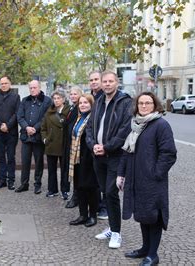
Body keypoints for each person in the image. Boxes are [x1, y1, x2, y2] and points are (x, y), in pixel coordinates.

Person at [118, 92, 177, 265]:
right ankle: (145, 248)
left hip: (153, 181)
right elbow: (126, 152)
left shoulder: (161, 125)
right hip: (137, 179)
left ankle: (153, 254)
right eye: (141, 103)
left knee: (154, 215)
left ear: (155, 105)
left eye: (148, 103)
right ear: (136, 106)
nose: (144, 106)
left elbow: (169, 153)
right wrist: (122, 174)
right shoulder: (136, 125)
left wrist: (156, 173)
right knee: (143, 214)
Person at [85, 70, 132, 249]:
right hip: (98, 155)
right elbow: (90, 127)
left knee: (112, 193)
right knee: (105, 192)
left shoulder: (124, 102)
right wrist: (93, 145)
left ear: (117, 82)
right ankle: (112, 227)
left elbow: (124, 131)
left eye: (110, 81)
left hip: (115, 156)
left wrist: (106, 147)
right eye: (104, 81)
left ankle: (117, 233)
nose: (107, 84)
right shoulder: (98, 101)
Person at [68, 94, 99, 228]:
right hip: (77, 158)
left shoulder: (94, 119)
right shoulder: (79, 118)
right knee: (79, 187)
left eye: (86, 102)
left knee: (91, 188)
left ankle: (92, 215)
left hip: (90, 159)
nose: (83, 105)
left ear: (91, 104)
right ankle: (82, 215)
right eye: (80, 103)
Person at [15, 80, 51, 194]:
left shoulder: (47, 101)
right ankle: (24, 184)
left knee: (39, 162)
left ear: (39, 87)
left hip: (38, 137)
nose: (32, 89)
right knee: (25, 161)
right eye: (30, 88)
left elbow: (46, 117)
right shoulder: (25, 100)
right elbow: (19, 116)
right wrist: (26, 127)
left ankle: (37, 184)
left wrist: (35, 128)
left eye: (34, 87)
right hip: (26, 136)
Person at [0, 76, 20, 190]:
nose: (4, 85)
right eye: (2, 83)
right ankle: (2, 180)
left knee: (11, 157)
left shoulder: (16, 97)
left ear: (10, 84)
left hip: (11, 132)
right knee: (0, 157)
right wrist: (0, 125)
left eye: (6, 83)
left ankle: (11, 180)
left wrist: (7, 125)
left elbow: (17, 113)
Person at [41, 90, 70, 199]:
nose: (56, 100)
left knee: (64, 170)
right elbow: (43, 128)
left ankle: (65, 190)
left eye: (59, 98)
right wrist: (45, 139)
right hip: (51, 144)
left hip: (64, 145)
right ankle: (52, 190)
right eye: (55, 98)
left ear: (63, 99)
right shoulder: (49, 111)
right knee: (51, 169)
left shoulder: (69, 111)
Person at [89, 70, 108, 219]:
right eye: (91, 80)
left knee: (106, 182)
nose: (94, 82)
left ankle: (105, 208)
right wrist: (92, 143)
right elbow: (90, 124)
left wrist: (105, 145)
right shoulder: (91, 97)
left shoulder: (105, 97)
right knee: (96, 179)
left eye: (96, 79)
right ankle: (97, 204)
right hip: (94, 145)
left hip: (106, 147)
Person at [64, 86, 83, 208]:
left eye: (75, 94)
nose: (73, 96)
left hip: (77, 145)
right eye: (71, 94)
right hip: (69, 143)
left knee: (78, 173)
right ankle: (76, 195)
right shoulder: (72, 107)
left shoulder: (80, 108)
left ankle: (77, 197)